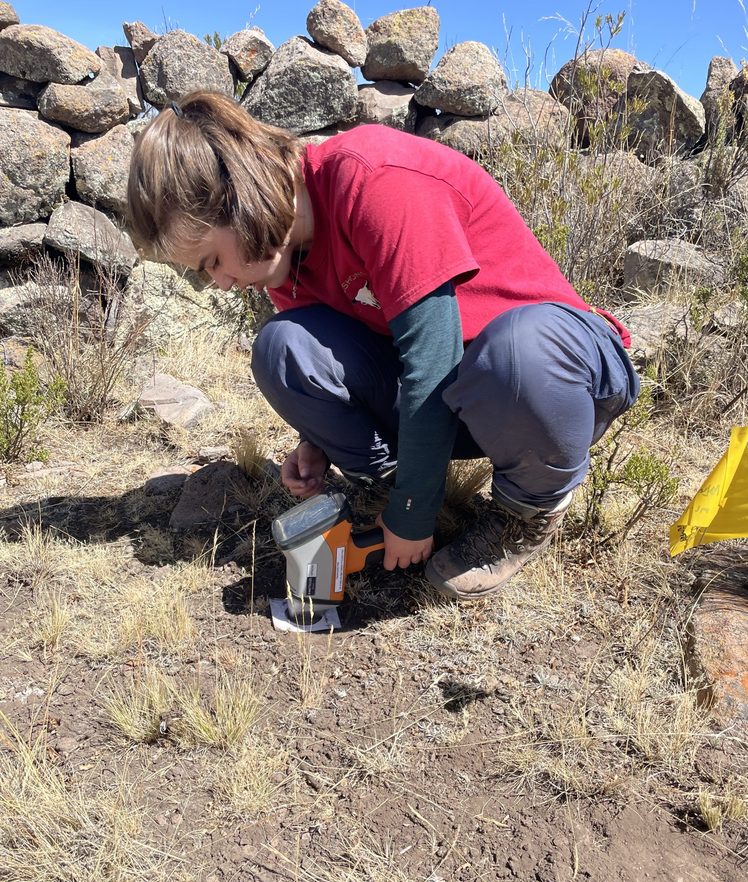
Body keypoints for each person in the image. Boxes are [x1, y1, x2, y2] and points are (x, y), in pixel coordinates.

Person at [127, 91, 640, 601]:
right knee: (282, 347)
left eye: (212, 260)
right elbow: (353, 356)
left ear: (240, 201)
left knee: (512, 350)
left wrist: (411, 514)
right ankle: (397, 484)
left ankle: (529, 509)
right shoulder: (285, 260)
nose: (219, 282)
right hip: (465, 397)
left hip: (557, 379)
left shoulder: (372, 177)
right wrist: (319, 443)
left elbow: (432, 358)